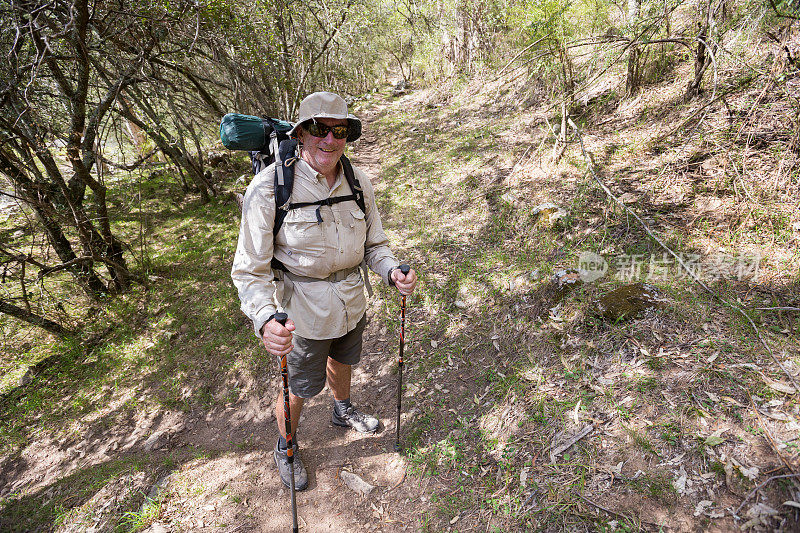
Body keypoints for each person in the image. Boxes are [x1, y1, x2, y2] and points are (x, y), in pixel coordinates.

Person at [231, 91, 417, 491]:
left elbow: (375, 245)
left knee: (344, 358)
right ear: (300, 133)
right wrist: (265, 319)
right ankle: (287, 445)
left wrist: (391, 272)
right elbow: (249, 270)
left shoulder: (357, 179)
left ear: (348, 135)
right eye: (319, 129)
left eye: (340, 130)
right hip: (301, 313)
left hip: (351, 301)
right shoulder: (269, 189)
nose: (329, 140)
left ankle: (342, 409)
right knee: (298, 387)